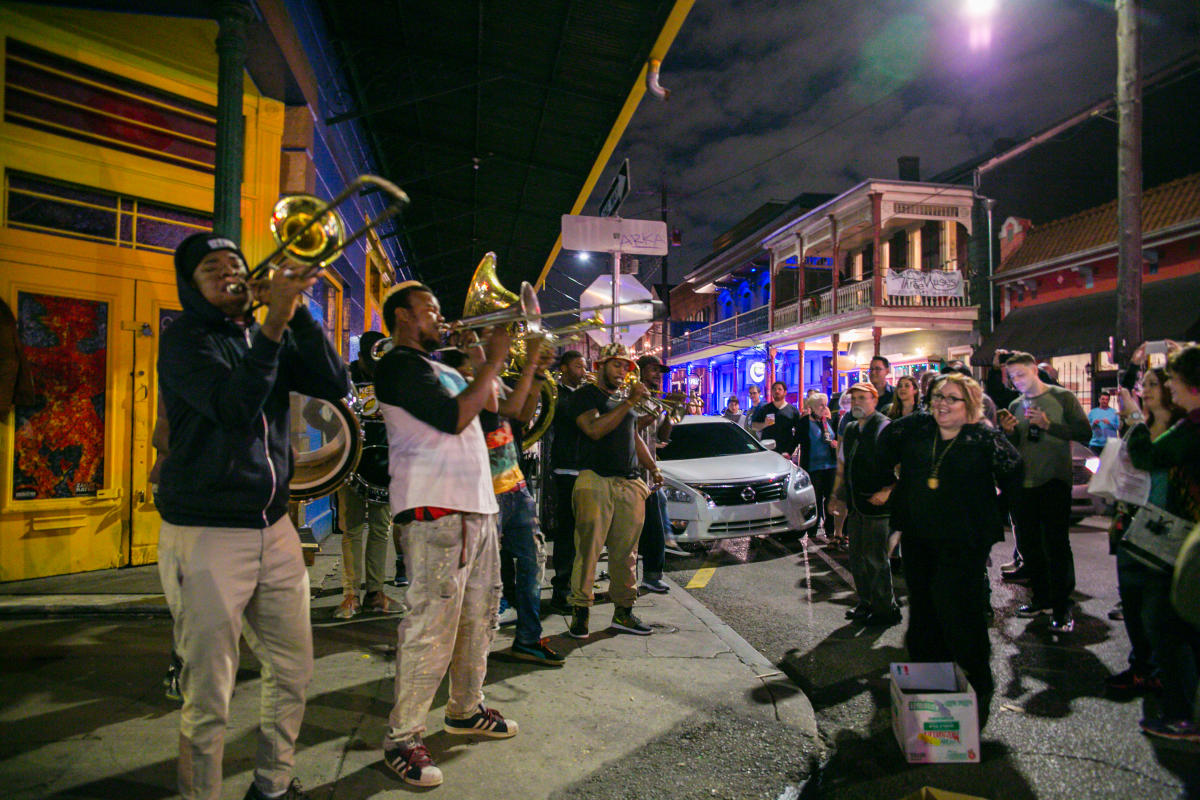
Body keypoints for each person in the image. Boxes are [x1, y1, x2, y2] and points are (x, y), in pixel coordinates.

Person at [156, 233, 351, 800]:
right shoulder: (185, 339)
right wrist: (274, 325)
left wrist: (300, 314)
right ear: (190, 287)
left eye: (235, 263)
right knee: (209, 692)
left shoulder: (266, 333)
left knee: (293, 670)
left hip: (274, 527)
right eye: (211, 268)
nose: (229, 272)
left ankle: (272, 784)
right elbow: (234, 407)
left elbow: (334, 385)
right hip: (207, 533)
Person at [374, 282, 518, 789]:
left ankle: (465, 708)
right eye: (430, 310)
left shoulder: (447, 369)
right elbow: (454, 419)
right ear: (402, 316)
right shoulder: (398, 365)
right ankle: (402, 738)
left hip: (477, 508)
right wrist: (493, 360)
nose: (440, 317)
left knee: (480, 618)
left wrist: (484, 357)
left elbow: (498, 407)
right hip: (437, 512)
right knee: (431, 628)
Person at [876, 373, 1023, 730]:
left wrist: (992, 511)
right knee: (924, 612)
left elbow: (1014, 474)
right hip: (919, 537)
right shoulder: (918, 428)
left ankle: (977, 683)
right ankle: (930, 693)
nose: (942, 404)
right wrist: (895, 486)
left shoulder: (983, 438)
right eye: (938, 396)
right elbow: (885, 444)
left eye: (952, 398)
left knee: (958, 610)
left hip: (964, 541)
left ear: (969, 405)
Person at [1124, 343, 1200, 742]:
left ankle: (1183, 717)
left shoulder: (1191, 429)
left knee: (1168, 626)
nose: (1169, 386)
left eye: (1172, 379)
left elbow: (1148, 457)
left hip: (1186, 540)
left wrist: (1134, 420)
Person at [475, 337, 563, 666]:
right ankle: (472, 648)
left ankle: (527, 639)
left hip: (515, 486)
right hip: (485, 491)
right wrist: (531, 367)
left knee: (532, 562)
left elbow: (521, 416)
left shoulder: (496, 381)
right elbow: (510, 409)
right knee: (484, 573)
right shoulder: (470, 381)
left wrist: (537, 376)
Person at [568, 342, 663, 639]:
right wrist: (630, 402)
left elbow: (633, 435)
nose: (622, 371)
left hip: (629, 482)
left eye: (626, 366)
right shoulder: (586, 395)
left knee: (627, 554)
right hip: (596, 480)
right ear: (600, 366)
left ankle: (623, 611)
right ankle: (581, 612)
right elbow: (594, 429)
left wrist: (653, 468)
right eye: (616, 364)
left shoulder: (624, 399)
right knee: (588, 551)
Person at [997, 351, 1091, 632]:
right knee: (1029, 545)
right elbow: (1016, 445)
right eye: (1013, 377)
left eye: (1021, 374)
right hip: (1023, 483)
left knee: (1056, 544)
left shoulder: (1062, 397)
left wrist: (1049, 425)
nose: (1017, 381)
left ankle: (1062, 607)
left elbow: (1084, 432)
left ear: (1034, 370)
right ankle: (1040, 598)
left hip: (1054, 481)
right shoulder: (1015, 404)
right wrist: (1009, 432)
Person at [1106, 356, 1182, 701]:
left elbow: (1147, 459)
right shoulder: (1137, 426)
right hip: (1129, 523)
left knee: (1156, 611)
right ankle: (1140, 667)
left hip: (1164, 527)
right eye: (1143, 384)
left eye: (1153, 384)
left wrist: (1135, 419)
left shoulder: (1180, 432)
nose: (1145, 390)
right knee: (1133, 605)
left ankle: (1162, 674)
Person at [334, 330, 403, 618]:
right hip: (352, 463)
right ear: (360, 357)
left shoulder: (393, 378)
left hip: (385, 464)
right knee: (351, 528)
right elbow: (321, 413)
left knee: (380, 528)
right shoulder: (345, 379)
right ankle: (350, 594)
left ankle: (375, 593)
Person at [830, 382, 900, 626]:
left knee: (875, 559)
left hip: (877, 507)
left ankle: (885, 610)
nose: (857, 402)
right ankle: (866, 603)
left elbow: (901, 465)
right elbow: (844, 465)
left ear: (874, 400)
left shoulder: (884, 427)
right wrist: (837, 495)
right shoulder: (850, 428)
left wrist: (887, 490)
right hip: (856, 504)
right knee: (857, 557)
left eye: (862, 398)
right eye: (854, 398)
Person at [548, 350, 587, 613]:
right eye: (577, 366)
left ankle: (579, 586)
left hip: (587, 469)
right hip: (565, 469)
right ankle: (561, 592)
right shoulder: (557, 395)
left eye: (584, 366)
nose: (583, 371)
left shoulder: (586, 394)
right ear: (564, 368)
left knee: (585, 534)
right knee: (567, 534)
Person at [635, 354, 675, 595]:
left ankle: (652, 575)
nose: (658, 375)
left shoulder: (653, 401)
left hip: (649, 475)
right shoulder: (632, 398)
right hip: (634, 473)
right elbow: (632, 428)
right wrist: (658, 409)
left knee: (655, 528)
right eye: (652, 369)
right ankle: (648, 576)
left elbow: (662, 436)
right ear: (639, 371)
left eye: (660, 371)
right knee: (650, 530)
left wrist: (671, 413)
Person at [797, 392, 837, 539]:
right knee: (816, 499)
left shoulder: (828, 421)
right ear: (812, 407)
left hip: (830, 466)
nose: (824, 408)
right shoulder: (805, 422)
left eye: (825, 405)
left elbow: (837, 437)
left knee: (831, 498)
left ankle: (830, 528)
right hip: (813, 467)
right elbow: (796, 440)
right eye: (821, 405)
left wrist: (836, 443)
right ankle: (813, 529)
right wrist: (786, 452)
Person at [751, 381, 802, 458]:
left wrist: (793, 448)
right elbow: (754, 426)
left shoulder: (793, 410)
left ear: (785, 392)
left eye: (779, 389)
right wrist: (764, 424)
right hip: (768, 450)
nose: (776, 391)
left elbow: (799, 432)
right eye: (774, 389)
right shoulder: (765, 409)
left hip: (786, 451)